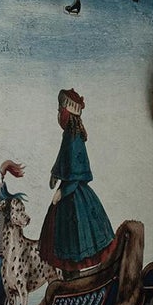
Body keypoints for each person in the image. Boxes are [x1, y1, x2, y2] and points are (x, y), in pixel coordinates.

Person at [38, 87, 115, 272]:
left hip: (73, 194)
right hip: (68, 192)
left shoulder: (74, 137)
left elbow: (76, 171)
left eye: (60, 109)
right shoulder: (68, 135)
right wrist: (55, 174)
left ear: (67, 112)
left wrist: (62, 192)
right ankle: (70, 276)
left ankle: (76, 277)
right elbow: (63, 159)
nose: (58, 113)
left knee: (75, 241)